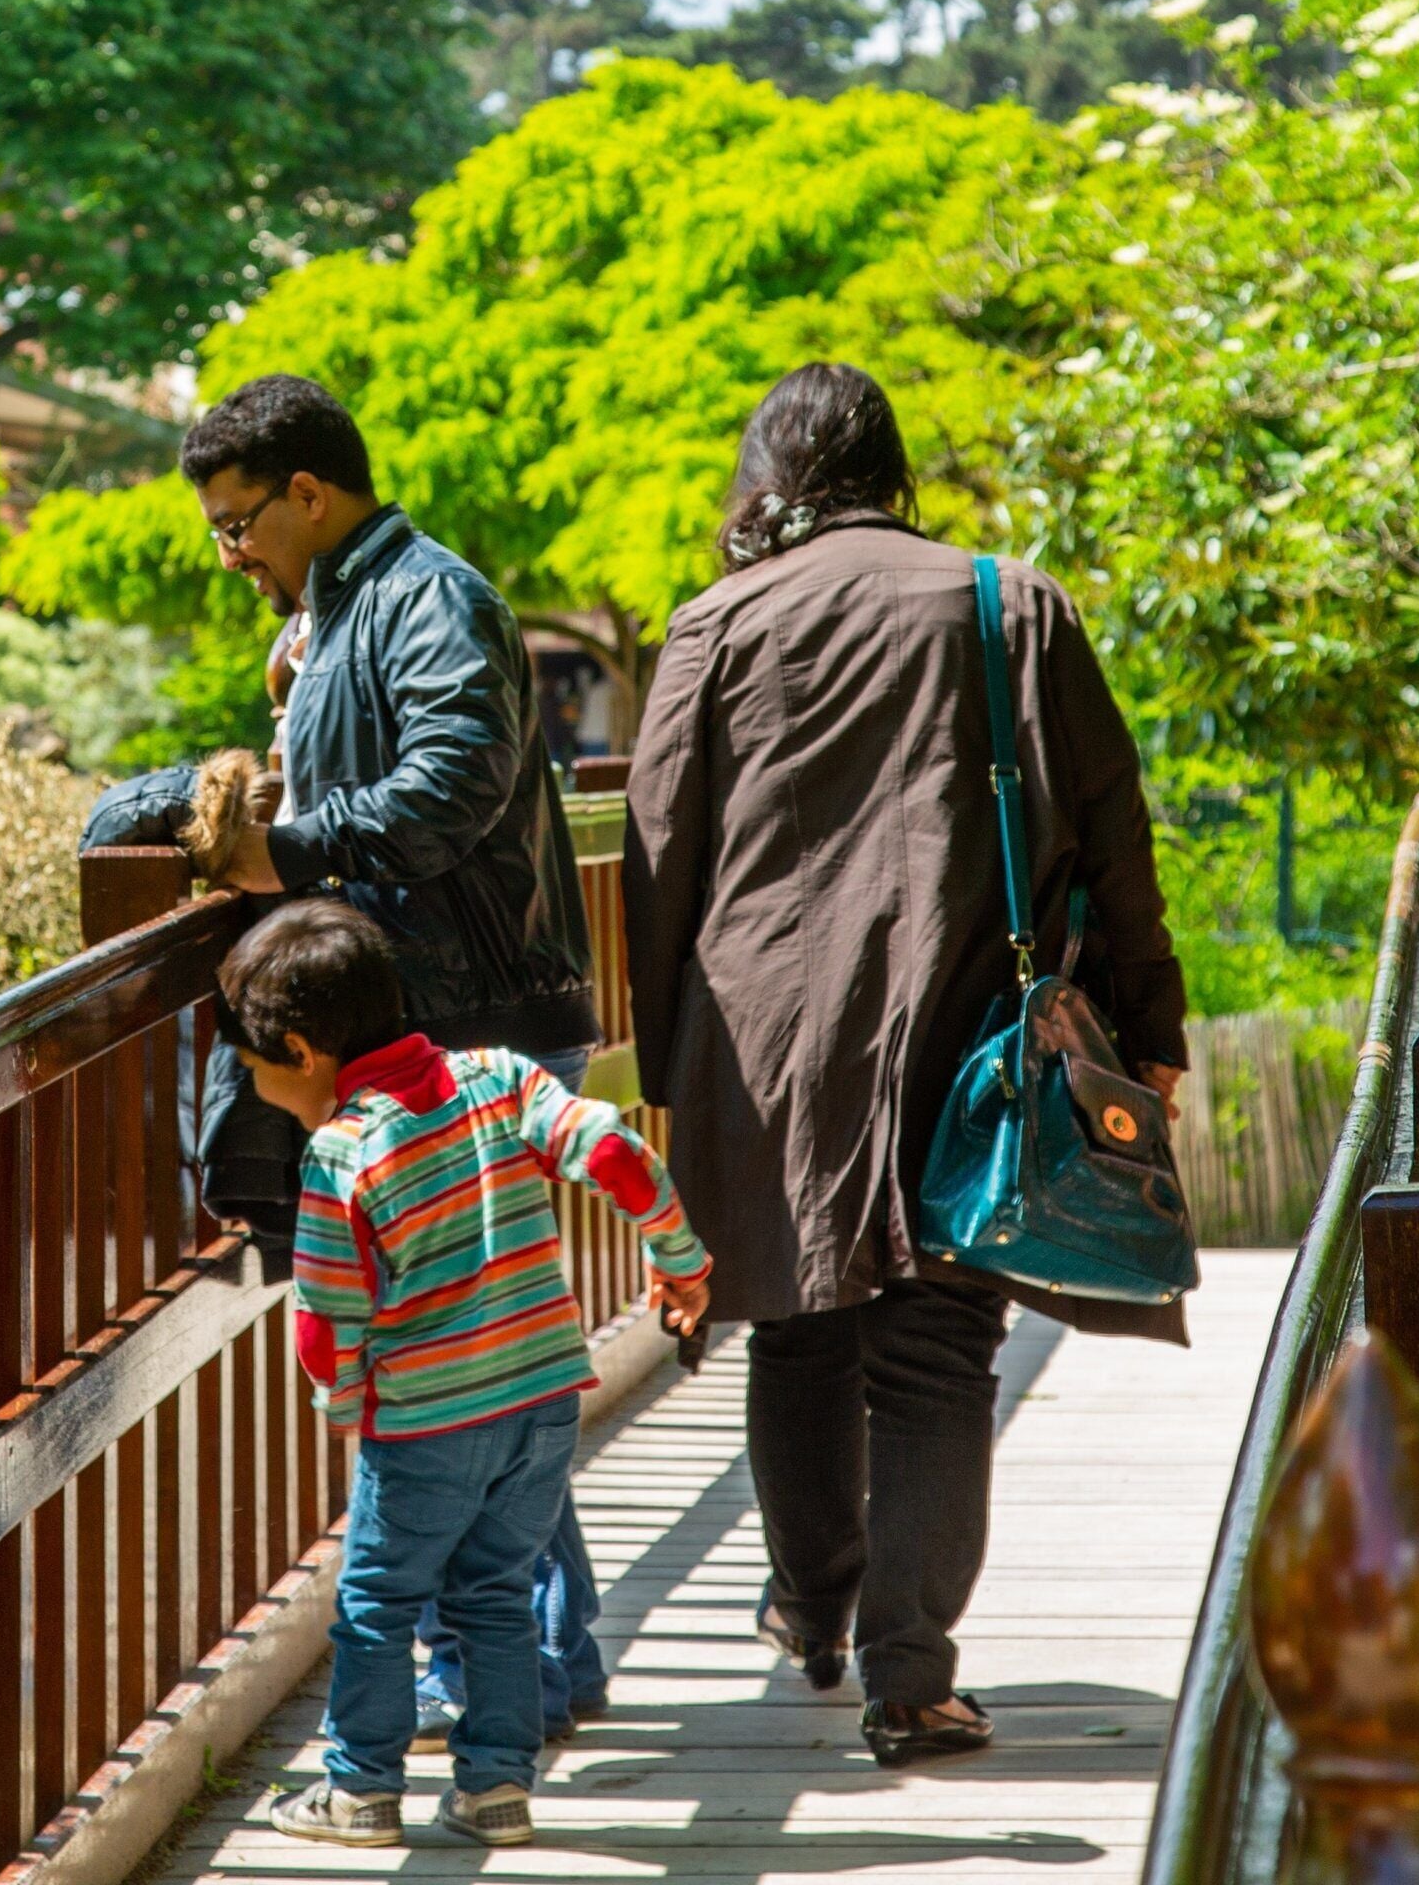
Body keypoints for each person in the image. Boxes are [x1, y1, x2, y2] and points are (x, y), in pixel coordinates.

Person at [622, 363, 1191, 1769]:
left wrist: (662, 1058)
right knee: (938, 1348)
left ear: (764, 479)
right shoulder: (1011, 606)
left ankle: (812, 1613)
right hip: (967, 1017)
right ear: (893, 471)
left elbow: (654, 858)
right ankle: (913, 1679)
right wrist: (1155, 1027)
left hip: (766, 1042)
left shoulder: (712, 624)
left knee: (800, 1318)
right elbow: (1114, 832)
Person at [176, 373, 613, 1740]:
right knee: (477, 1376)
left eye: (238, 522)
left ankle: (514, 1673)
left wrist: (287, 847)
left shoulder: (428, 596)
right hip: (432, 1020)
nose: (230, 552)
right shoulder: (341, 610)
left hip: (467, 1021)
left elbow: (452, 786)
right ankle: (534, 1660)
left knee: (458, 1385)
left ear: (310, 492)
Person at [220, 902, 711, 1850]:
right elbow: (614, 1147)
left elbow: (328, 1318)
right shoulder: (495, 1076)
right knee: (497, 1592)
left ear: (299, 1050)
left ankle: (359, 1786)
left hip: (426, 1423)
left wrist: (346, 1404)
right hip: (541, 1403)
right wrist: (681, 1258)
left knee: (376, 1601)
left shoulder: (341, 1151)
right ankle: (495, 1790)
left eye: (253, 1069)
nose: (253, 1085)